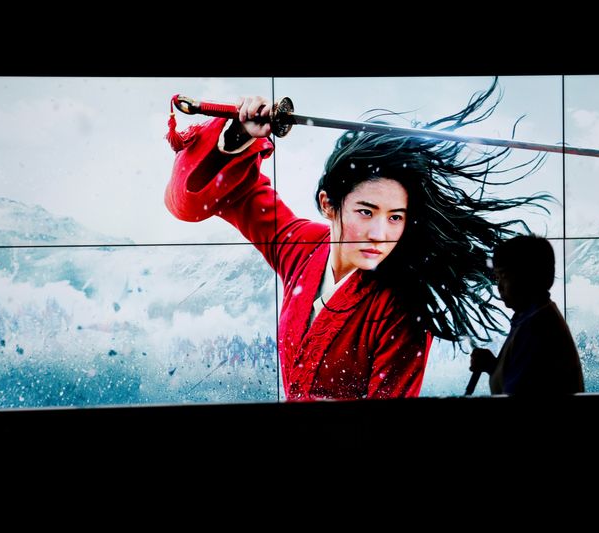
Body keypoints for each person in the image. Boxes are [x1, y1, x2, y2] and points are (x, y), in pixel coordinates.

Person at [165, 80, 551, 400]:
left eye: (395, 217)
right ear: (329, 206)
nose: (380, 235)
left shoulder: (401, 309)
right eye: (366, 212)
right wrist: (238, 134)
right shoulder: (301, 245)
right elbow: (225, 196)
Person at [470, 235, 585, 394]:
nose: (499, 287)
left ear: (529, 275)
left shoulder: (536, 328)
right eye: (497, 277)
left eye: (504, 276)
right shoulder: (533, 317)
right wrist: (493, 367)